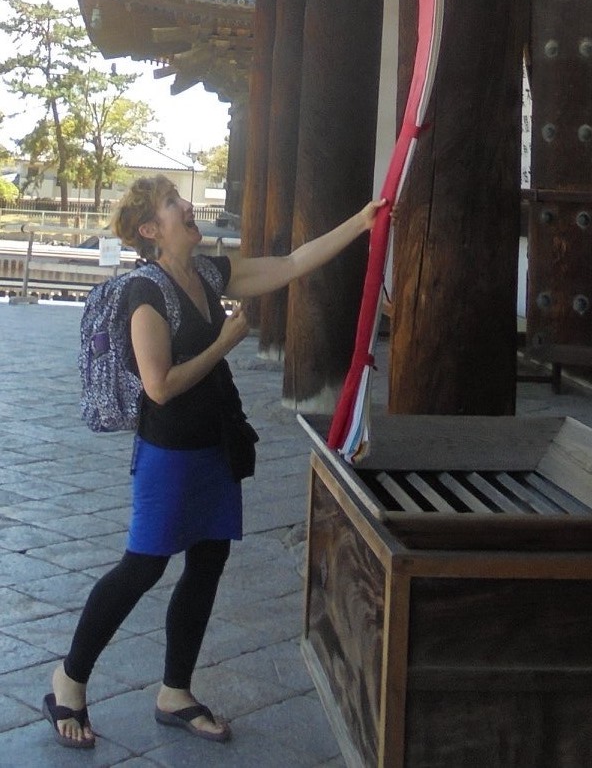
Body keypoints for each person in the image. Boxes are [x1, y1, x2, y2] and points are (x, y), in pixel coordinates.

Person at [43, 174, 381, 750]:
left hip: (214, 446)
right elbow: (159, 387)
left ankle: (175, 692)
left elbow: (291, 264)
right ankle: (68, 681)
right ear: (151, 230)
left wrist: (362, 222)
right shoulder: (144, 293)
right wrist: (226, 340)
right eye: (172, 203)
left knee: (207, 562)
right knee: (142, 568)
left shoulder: (208, 273)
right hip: (169, 453)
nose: (187, 206)